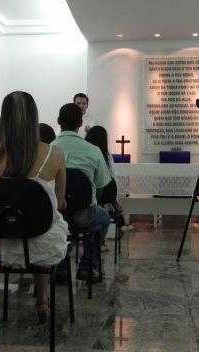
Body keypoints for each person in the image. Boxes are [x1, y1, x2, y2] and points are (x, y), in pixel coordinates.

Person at [0, 91, 69, 323]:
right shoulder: (55, 154)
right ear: (33, 118)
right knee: (44, 222)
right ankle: (42, 299)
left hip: (0, 244)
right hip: (41, 245)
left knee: (32, 223)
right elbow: (58, 203)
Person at [51, 103, 112, 280]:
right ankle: (87, 266)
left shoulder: (49, 149)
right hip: (82, 215)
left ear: (58, 121)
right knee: (104, 218)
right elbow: (101, 187)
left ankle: (60, 267)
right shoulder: (93, 150)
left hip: (55, 216)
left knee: (64, 226)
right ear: (80, 123)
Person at [85, 125, 125, 242]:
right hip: (102, 199)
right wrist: (115, 201)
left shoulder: (84, 154)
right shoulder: (106, 156)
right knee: (109, 182)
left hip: (83, 199)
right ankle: (99, 243)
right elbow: (112, 179)